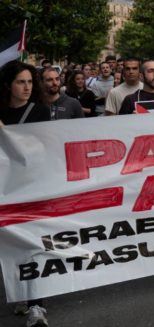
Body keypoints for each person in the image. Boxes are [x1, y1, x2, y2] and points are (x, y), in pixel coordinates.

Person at [0, 60, 51, 327]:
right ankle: (21, 293)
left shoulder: (40, 111)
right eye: (21, 82)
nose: (27, 87)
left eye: (30, 82)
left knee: (33, 245)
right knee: (12, 247)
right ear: (8, 85)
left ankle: (36, 305)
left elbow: (40, 148)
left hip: (30, 188)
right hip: (4, 188)